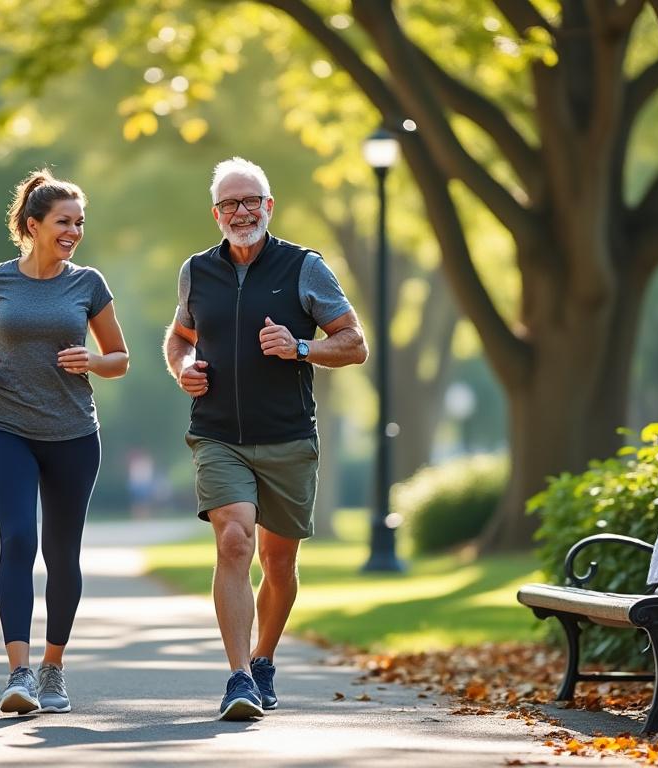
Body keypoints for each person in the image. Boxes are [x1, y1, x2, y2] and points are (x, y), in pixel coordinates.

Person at [163, 157, 368, 720]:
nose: (241, 211)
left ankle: (263, 659)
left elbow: (354, 343)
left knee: (279, 566)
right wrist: (181, 366)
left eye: (250, 200)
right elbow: (179, 335)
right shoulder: (196, 271)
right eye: (230, 203)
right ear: (216, 213)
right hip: (217, 434)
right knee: (234, 542)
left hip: (287, 437)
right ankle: (237, 680)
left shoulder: (304, 267)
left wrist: (300, 348)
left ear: (268, 206)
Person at [0, 168, 129, 715]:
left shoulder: (88, 283)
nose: (73, 231)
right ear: (32, 225)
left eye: (79, 222)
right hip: (5, 426)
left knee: (61, 553)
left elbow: (120, 358)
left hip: (74, 433)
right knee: (19, 539)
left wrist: (92, 361)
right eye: (63, 222)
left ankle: (54, 669)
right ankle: (18, 673)